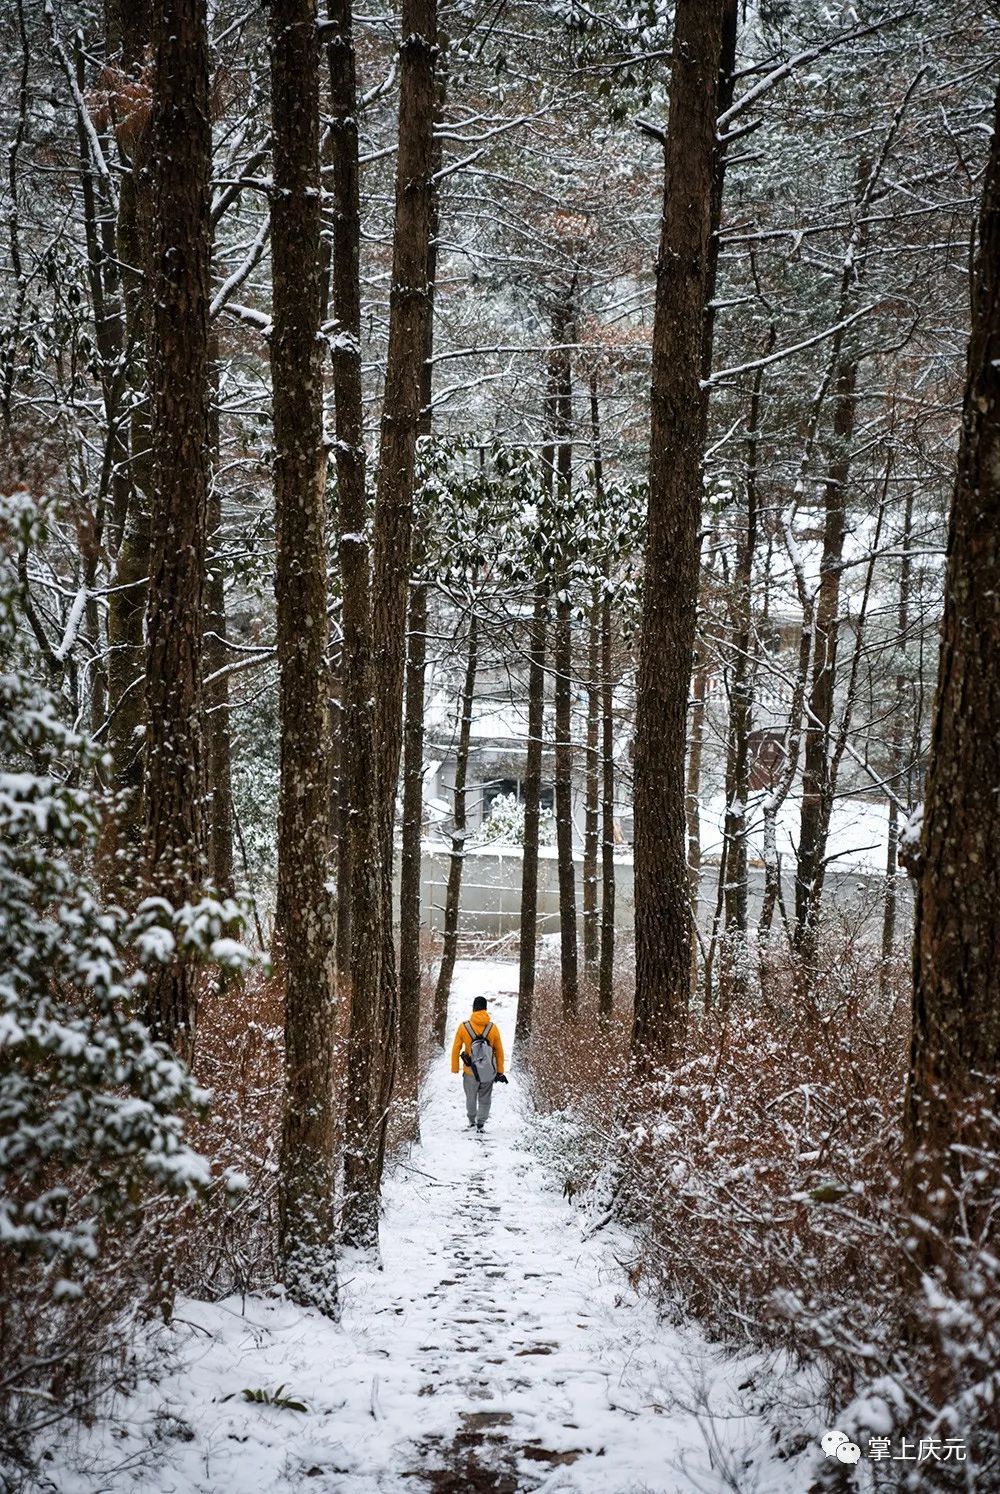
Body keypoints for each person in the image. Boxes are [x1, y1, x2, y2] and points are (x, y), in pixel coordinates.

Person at [450, 995, 507, 1131]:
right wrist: (500, 1071)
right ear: (486, 1009)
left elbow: (456, 1048)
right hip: (488, 1072)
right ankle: (481, 1122)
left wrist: (455, 1067)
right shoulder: (493, 1028)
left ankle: (471, 1120)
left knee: (471, 1097)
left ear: (473, 1008)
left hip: (470, 1071)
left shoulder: (464, 1027)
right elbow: (499, 1051)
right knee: (485, 1098)